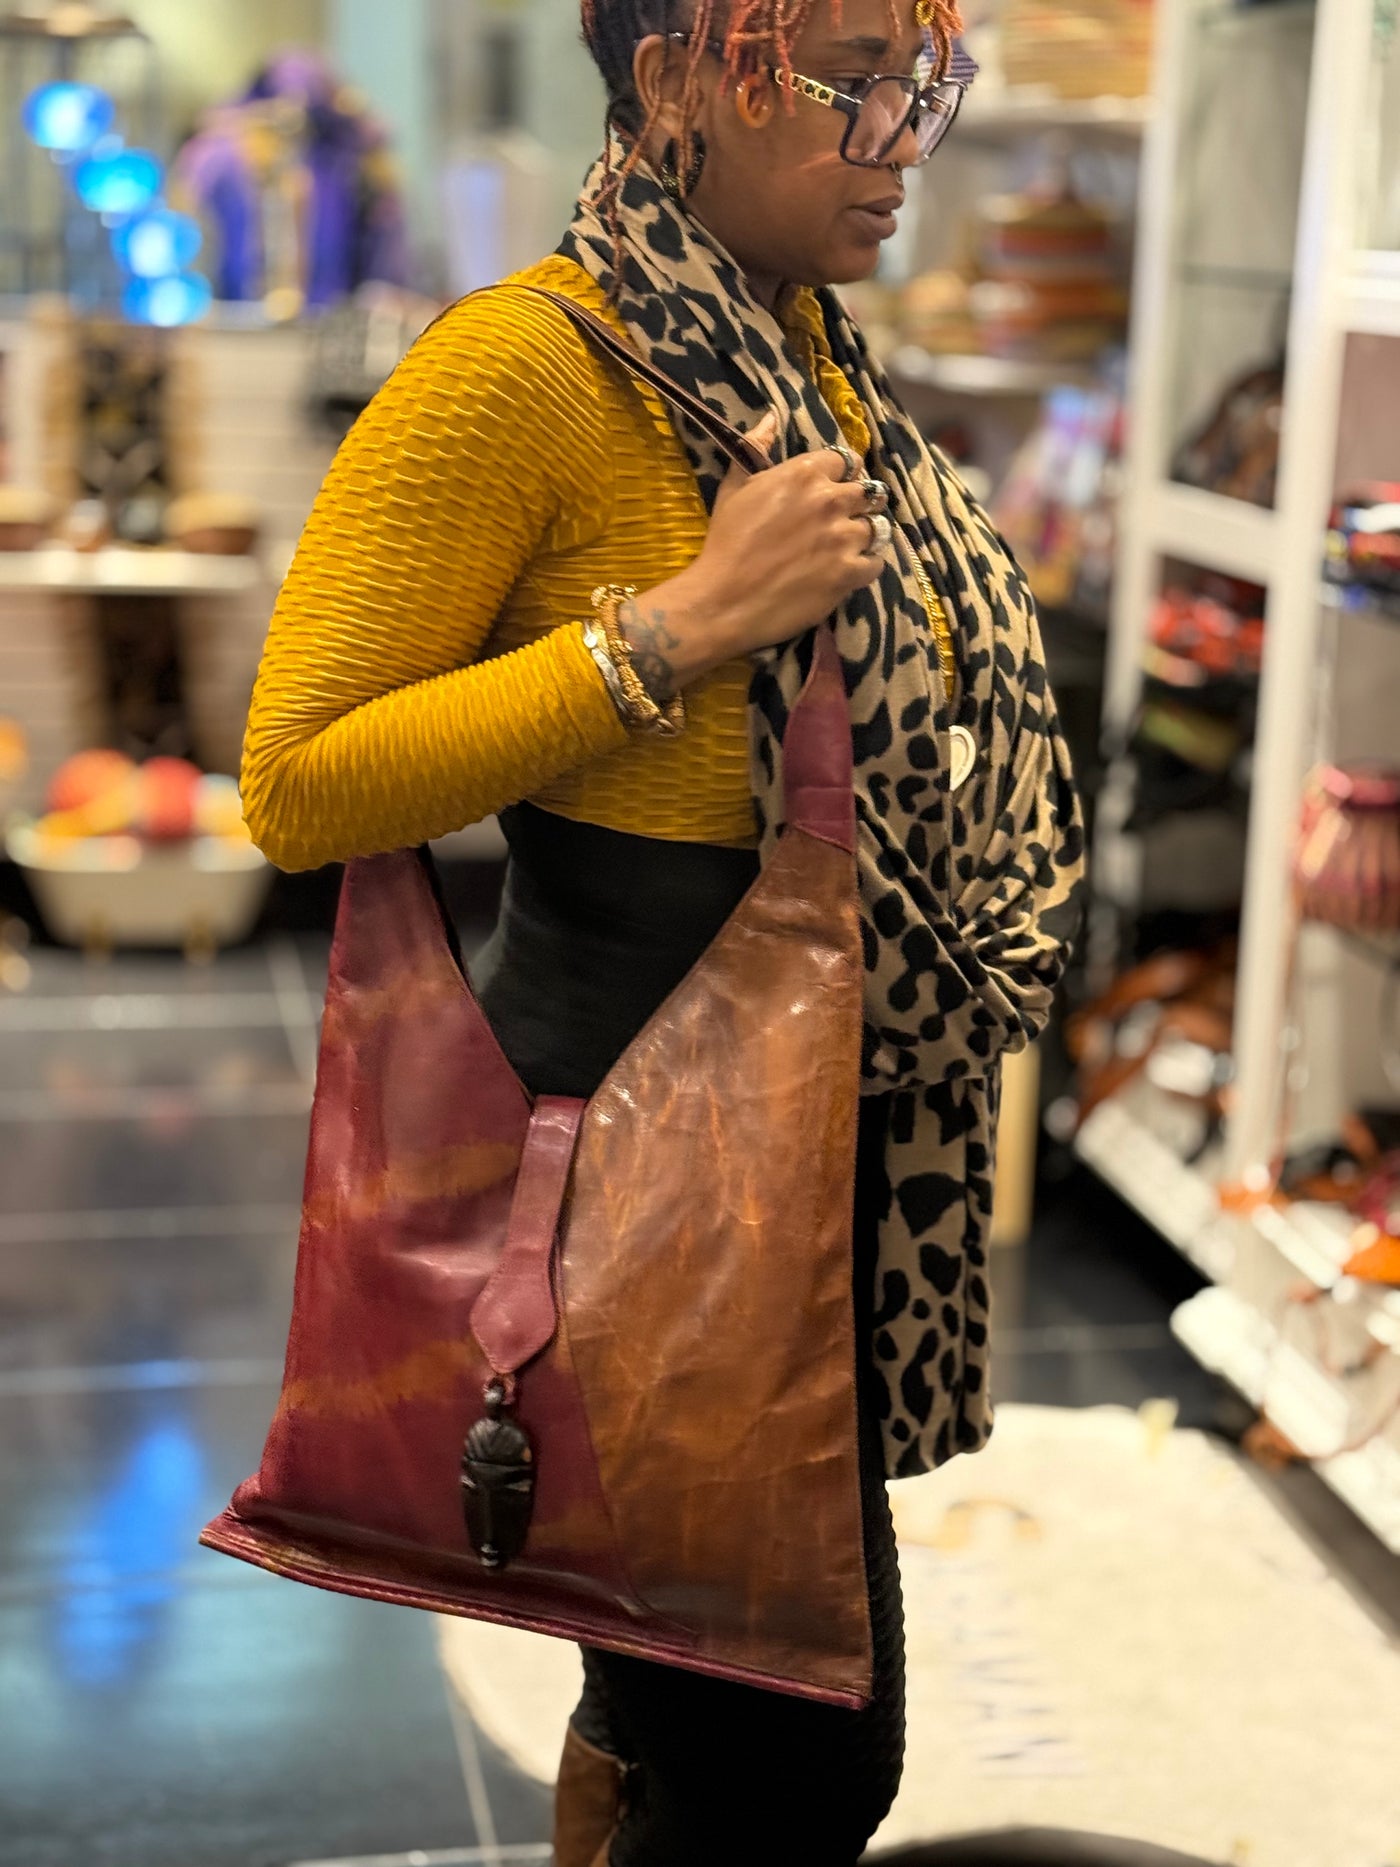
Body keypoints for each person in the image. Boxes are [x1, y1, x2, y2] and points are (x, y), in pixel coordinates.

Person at [240, 2, 1084, 1862]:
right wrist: (671, 633)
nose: (900, 133)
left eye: (919, 81)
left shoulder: (805, 356)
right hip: (644, 1157)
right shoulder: (522, 372)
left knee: (689, 1700)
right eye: (851, 76)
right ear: (689, 77)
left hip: (812, 1135)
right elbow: (296, 780)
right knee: (796, 1755)